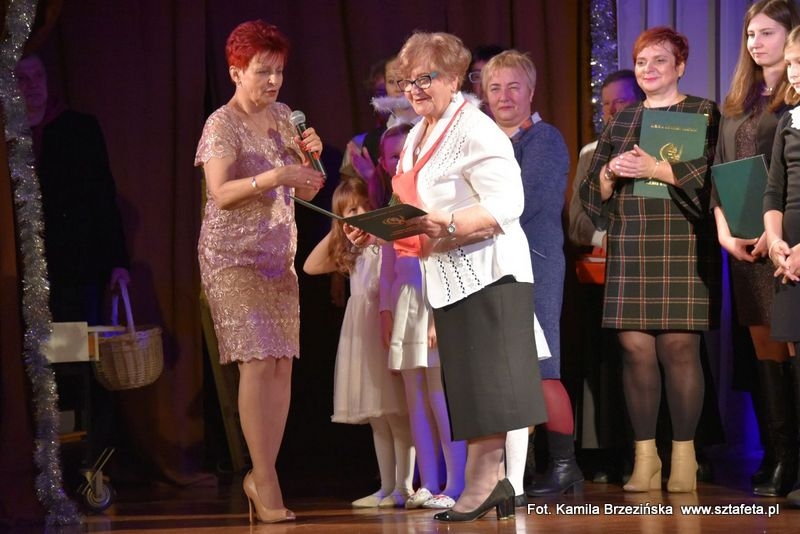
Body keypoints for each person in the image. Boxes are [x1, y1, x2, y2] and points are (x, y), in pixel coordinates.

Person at [347, 30, 547, 522]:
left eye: (425, 79)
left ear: (455, 78)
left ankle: (486, 483)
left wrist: (450, 224)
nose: (414, 90)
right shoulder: (418, 133)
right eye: (407, 81)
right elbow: (411, 206)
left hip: (489, 271)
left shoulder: (476, 129)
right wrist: (375, 229)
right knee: (471, 385)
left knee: (491, 383)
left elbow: (508, 204)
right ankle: (487, 483)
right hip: (447, 274)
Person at [579, 26, 721, 493]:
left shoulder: (702, 111)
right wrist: (608, 174)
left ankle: (684, 456)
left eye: (660, 60)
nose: (648, 69)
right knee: (635, 350)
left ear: (680, 66)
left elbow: (710, 178)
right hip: (631, 242)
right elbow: (591, 192)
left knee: (679, 348)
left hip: (682, 242)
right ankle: (646, 459)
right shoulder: (623, 120)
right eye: (641, 62)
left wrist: (655, 168)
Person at [194, 20, 325, 524]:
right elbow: (221, 193)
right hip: (233, 258)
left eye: (279, 72)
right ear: (236, 72)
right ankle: (264, 477)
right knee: (255, 361)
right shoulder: (221, 123)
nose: (273, 81)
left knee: (280, 363)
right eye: (262, 71)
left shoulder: (284, 118)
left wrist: (309, 162)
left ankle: (263, 471)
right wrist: (277, 174)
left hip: (277, 258)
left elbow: (308, 189)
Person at [480, 49, 579, 503]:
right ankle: (521, 468)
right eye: (494, 87)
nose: (504, 96)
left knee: (541, 367)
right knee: (505, 374)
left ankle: (565, 465)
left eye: (513, 86)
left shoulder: (544, 140)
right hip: (490, 264)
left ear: (531, 91)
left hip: (534, 263)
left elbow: (526, 201)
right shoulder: (482, 143)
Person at [714, 0, 800, 498]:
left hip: (784, 241)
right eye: (750, 34)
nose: (756, 42)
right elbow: (720, 170)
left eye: (767, 33)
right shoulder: (737, 101)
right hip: (744, 245)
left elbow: (787, 179)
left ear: (790, 36)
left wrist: (775, 232)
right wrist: (724, 231)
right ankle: (778, 453)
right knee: (763, 351)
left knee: (791, 349)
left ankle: (793, 458)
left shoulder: (795, 100)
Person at [303, 177, 413, 508]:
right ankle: (386, 487)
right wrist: (340, 228)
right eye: (353, 210)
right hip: (361, 332)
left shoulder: (383, 242)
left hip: (384, 326)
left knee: (397, 413)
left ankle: (404, 487)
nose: (362, 213)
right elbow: (310, 266)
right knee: (378, 415)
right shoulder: (352, 249)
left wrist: (369, 226)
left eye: (366, 206)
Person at [377, 122, 466, 511]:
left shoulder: (433, 199)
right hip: (405, 301)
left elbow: (443, 258)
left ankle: (457, 481)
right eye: (394, 156)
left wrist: (435, 316)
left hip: (432, 299)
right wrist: (385, 310)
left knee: (440, 395)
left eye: (406, 154)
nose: (401, 160)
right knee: (414, 398)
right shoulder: (393, 205)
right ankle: (428, 481)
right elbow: (387, 266)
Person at [15, 54, 130, 324]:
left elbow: (102, 197)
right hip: (21, 269)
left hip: (75, 268)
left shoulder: (79, 129)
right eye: (22, 79)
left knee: (75, 346)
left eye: (38, 76)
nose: (33, 85)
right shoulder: (9, 137)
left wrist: (118, 261)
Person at [764, 24, 800, 507]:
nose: (794, 72)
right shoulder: (790, 120)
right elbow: (774, 191)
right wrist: (775, 241)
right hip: (789, 258)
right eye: (790, 63)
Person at [568, 70, 645, 250]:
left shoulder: (657, 150)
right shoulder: (589, 154)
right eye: (606, 103)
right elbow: (576, 220)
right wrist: (602, 239)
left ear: (641, 104)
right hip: (610, 256)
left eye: (620, 101)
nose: (611, 110)